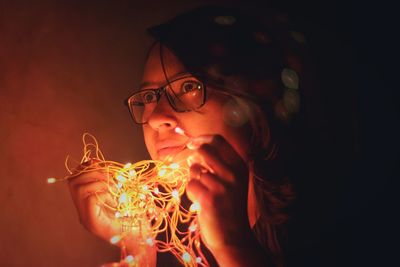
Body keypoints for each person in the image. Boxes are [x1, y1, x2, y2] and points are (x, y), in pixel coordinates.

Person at [68, 5, 310, 267]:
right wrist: (138, 248)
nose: (157, 118)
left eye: (188, 86)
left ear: (253, 104)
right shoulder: (169, 238)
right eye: (149, 96)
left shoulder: (326, 224)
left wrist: (232, 245)